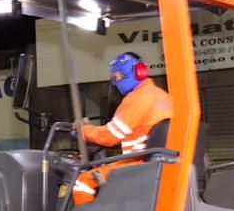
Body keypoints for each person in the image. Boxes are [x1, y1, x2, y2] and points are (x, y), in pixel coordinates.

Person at [72, 52, 173, 202]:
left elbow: (109, 137)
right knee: (102, 169)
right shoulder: (163, 96)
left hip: (139, 164)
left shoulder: (138, 98)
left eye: (116, 76)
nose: (114, 82)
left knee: (82, 182)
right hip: (158, 163)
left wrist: (82, 130)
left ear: (135, 72)